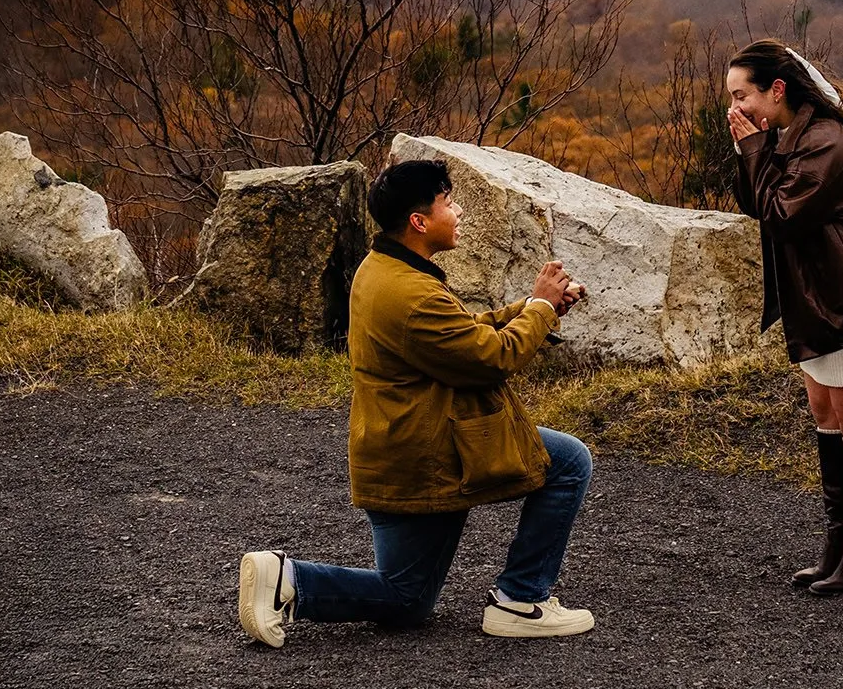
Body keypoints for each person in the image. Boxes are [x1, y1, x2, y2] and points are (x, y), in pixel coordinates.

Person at [237, 156, 596, 645]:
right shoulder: (412, 293)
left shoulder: (382, 268)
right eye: (449, 202)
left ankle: (290, 581)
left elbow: (457, 334)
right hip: (429, 454)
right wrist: (536, 308)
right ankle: (521, 600)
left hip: (394, 448)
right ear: (419, 221)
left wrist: (541, 309)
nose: (460, 212)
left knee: (406, 598)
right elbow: (490, 358)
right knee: (569, 461)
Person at [725, 37, 843, 596]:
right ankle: (838, 542)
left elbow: (781, 215)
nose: (736, 109)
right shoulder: (788, 135)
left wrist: (755, 146)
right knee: (826, 412)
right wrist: (752, 147)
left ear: (776, 90)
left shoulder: (826, 141)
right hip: (822, 295)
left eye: (743, 96)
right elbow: (758, 204)